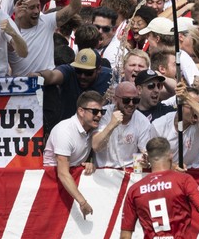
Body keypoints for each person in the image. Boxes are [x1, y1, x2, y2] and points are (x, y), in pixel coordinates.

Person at [42, 91, 103, 219]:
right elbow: (63, 173)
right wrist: (82, 202)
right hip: (51, 185)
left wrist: (86, 164)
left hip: (70, 185)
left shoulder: (90, 130)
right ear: (81, 111)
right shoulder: (65, 130)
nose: (99, 116)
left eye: (102, 112)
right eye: (95, 112)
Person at [93, 81, 155, 169]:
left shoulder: (142, 120)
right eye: (126, 100)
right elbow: (96, 146)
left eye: (135, 100)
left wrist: (145, 161)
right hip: (103, 171)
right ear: (115, 99)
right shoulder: (103, 114)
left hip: (129, 171)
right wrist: (111, 125)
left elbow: (144, 151)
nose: (131, 104)